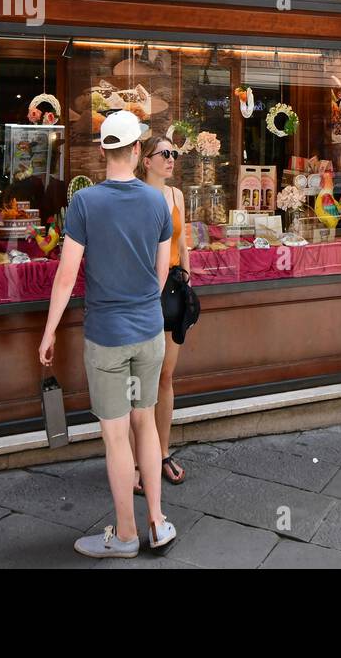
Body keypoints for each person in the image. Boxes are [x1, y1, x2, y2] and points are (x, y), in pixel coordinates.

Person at [38, 112, 178, 558]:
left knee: (116, 436)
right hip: (149, 331)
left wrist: (49, 332)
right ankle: (156, 522)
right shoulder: (158, 203)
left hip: (106, 336)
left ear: (102, 151)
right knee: (147, 424)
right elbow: (161, 276)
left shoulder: (85, 203)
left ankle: (124, 535)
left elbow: (65, 278)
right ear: (138, 150)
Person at [130, 134, 190, 491]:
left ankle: (163, 453)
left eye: (174, 153)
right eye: (164, 153)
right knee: (141, 383)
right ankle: (139, 461)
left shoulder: (176, 195)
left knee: (166, 377)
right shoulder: (134, 195)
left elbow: (182, 246)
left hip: (172, 292)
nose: (171, 159)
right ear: (146, 160)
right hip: (142, 291)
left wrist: (188, 283)